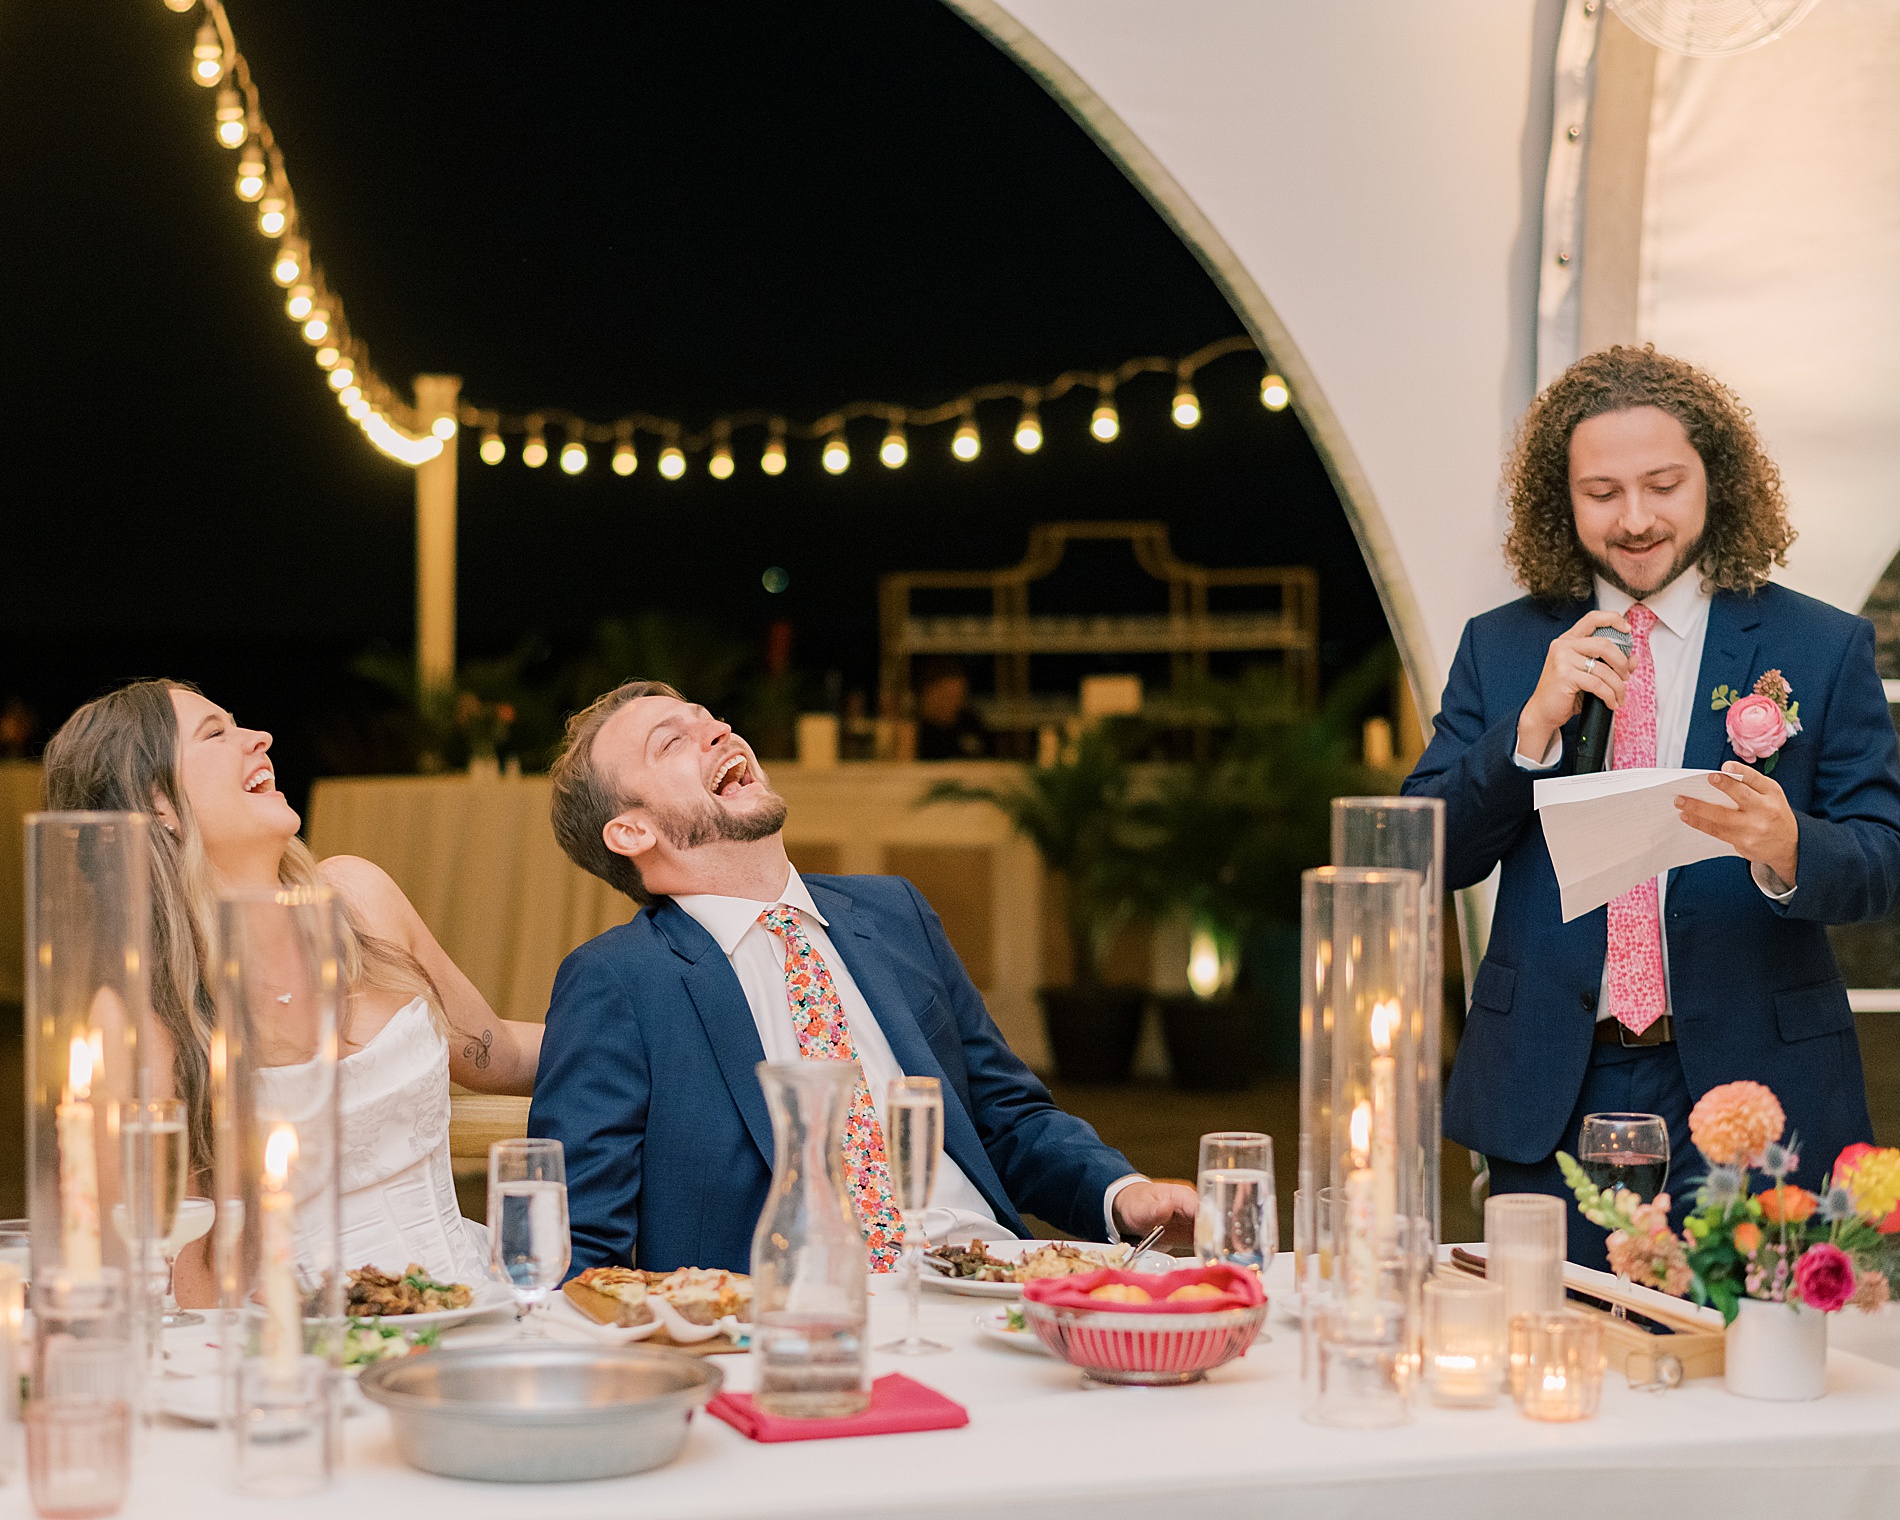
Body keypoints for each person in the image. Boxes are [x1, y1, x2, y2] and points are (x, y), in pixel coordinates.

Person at [1404, 346, 1900, 1266]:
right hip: (1554, 1085)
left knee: (1749, 1375)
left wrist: (1793, 846)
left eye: (1662, 484)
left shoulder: (1820, 646)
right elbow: (1417, 856)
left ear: (1718, 478)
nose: (1635, 520)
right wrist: (1527, 736)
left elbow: (1882, 860)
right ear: (1564, 500)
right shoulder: (1504, 648)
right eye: (1602, 493)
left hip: (1757, 1090)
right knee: (1557, 1367)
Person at [531, 680, 1196, 1274]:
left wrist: (1121, 1194)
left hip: (985, 1284)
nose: (718, 732)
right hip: (799, 1331)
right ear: (631, 830)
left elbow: (1006, 1119)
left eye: (709, 718)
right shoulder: (617, 981)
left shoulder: (893, 911)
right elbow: (577, 1254)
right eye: (672, 741)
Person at [42, 680, 544, 1302]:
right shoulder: (146, 1014)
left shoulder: (361, 901)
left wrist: (660, 1041)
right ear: (158, 804)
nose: (261, 738)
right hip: (290, 1352)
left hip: (472, 1303)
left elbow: (500, 1055)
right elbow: (164, 1271)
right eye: (216, 734)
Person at [915, 656, 991, 760]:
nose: (954, 702)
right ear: (928, 693)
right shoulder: (914, 730)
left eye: (959, 696)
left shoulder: (970, 723)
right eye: (947, 695)